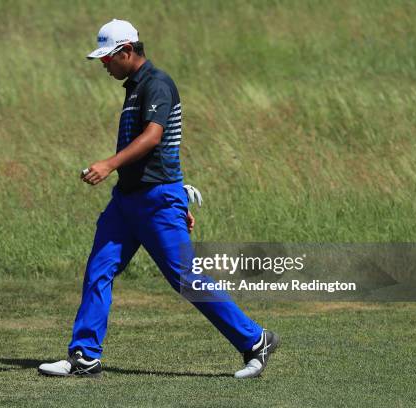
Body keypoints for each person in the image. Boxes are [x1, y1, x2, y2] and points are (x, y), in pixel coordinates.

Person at [38, 19, 279, 379]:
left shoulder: (157, 84)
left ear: (127, 52)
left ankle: (255, 340)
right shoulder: (134, 87)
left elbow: (154, 138)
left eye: (108, 58)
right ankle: (84, 355)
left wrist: (110, 164)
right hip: (127, 202)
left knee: (186, 279)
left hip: (156, 200)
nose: (104, 65)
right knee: (98, 270)